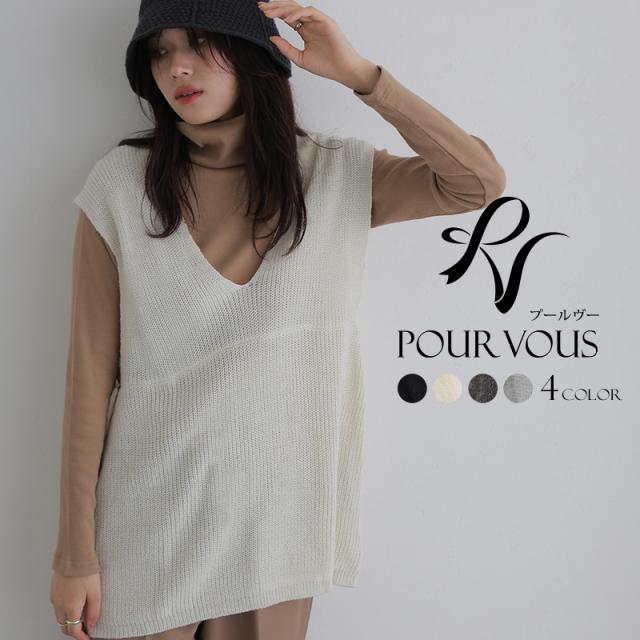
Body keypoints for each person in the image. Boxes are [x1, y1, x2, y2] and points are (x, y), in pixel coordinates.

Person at [49, 1, 507, 638]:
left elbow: (477, 183)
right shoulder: (121, 186)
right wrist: (75, 553)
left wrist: (361, 76)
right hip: (147, 532)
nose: (176, 66)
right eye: (159, 51)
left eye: (200, 41)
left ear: (250, 51)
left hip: (278, 535)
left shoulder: (335, 174)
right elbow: (89, 381)